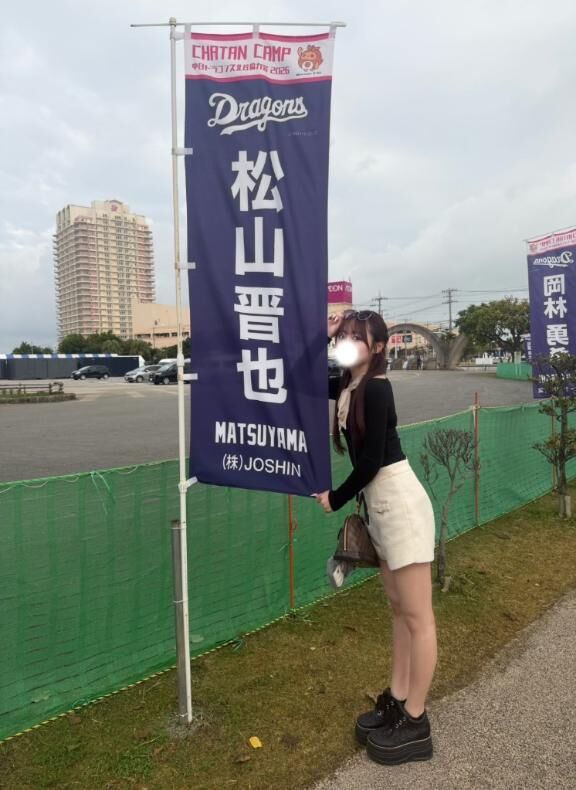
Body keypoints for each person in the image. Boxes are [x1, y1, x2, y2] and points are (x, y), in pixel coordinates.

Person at [314, 309, 437, 766]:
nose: (347, 343)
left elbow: (369, 463)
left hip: (399, 506)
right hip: (380, 507)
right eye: (343, 337)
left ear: (379, 347)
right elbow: (301, 375)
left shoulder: (378, 388)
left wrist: (336, 498)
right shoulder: (347, 385)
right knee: (399, 611)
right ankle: (398, 699)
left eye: (357, 338)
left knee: (419, 617)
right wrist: (323, 334)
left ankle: (416, 721)